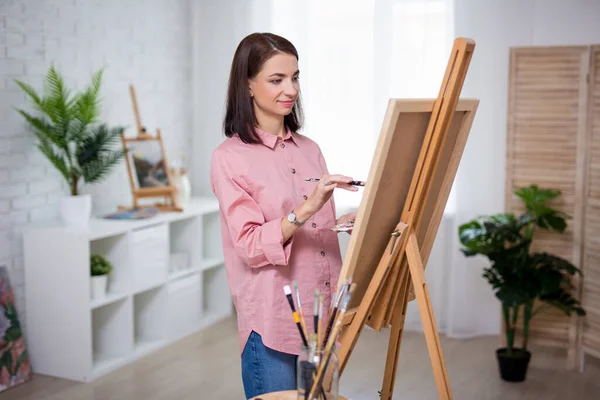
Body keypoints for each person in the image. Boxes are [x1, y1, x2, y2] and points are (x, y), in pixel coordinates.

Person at [209, 32, 358, 399]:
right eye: (276, 80)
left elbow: (314, 234)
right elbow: (250, 245)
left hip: (322, 318)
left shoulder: (311, 149)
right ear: (247, 84)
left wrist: (347, 223)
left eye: (295, 77)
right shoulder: (229, 157)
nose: (290, 89)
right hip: (273, 319)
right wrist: (307, 208)